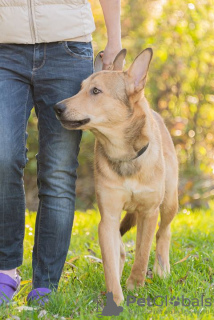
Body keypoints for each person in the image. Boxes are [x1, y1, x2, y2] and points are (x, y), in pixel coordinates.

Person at [0, 0, 122, 305]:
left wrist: (115, 38)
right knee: (3, 156)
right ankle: (6, 270)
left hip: (68, 49)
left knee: (57, 170)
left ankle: (45, 284)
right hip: (5, 49)